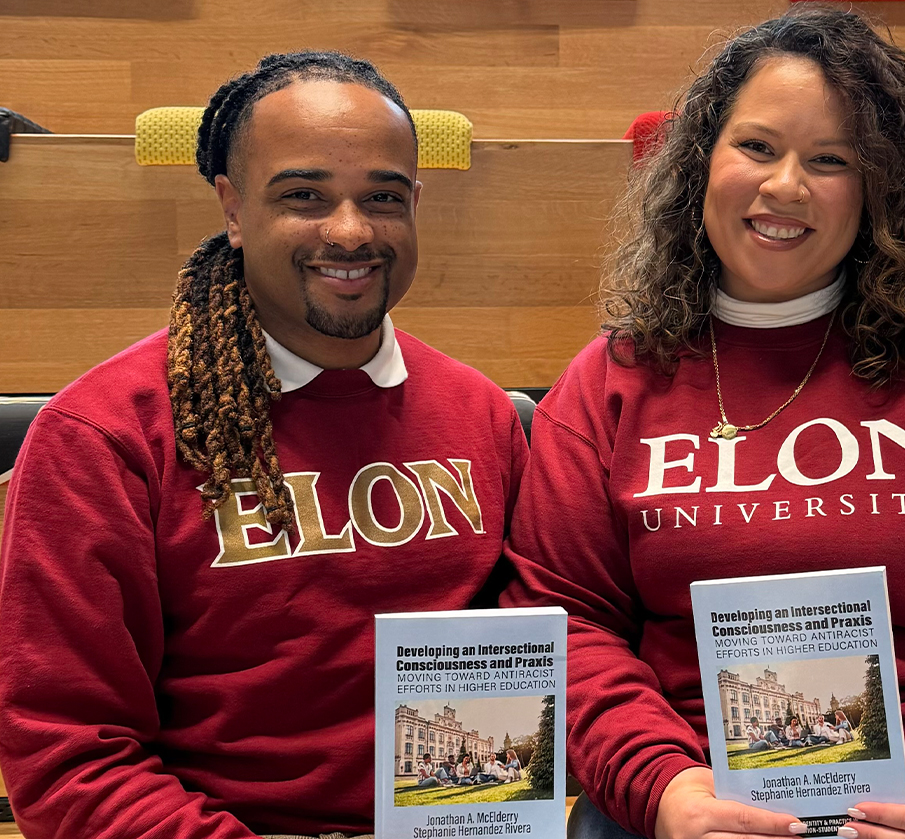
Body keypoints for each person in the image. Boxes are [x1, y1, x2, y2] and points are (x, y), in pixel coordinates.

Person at [501, 7, 905, 839]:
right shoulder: (609, 384)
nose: (785, 185)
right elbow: (566, 619)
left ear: (880, 193)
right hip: (691, 793)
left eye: (831, 161)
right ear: (700, 163)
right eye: (757, 147)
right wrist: (665, 788)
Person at [0, 52, 528, 839]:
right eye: (304, 196)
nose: (351, 231)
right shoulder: (104, 436)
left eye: (382, 197)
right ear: (234, 208)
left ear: (415, 204)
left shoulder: (483, 415)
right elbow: (70, 754)